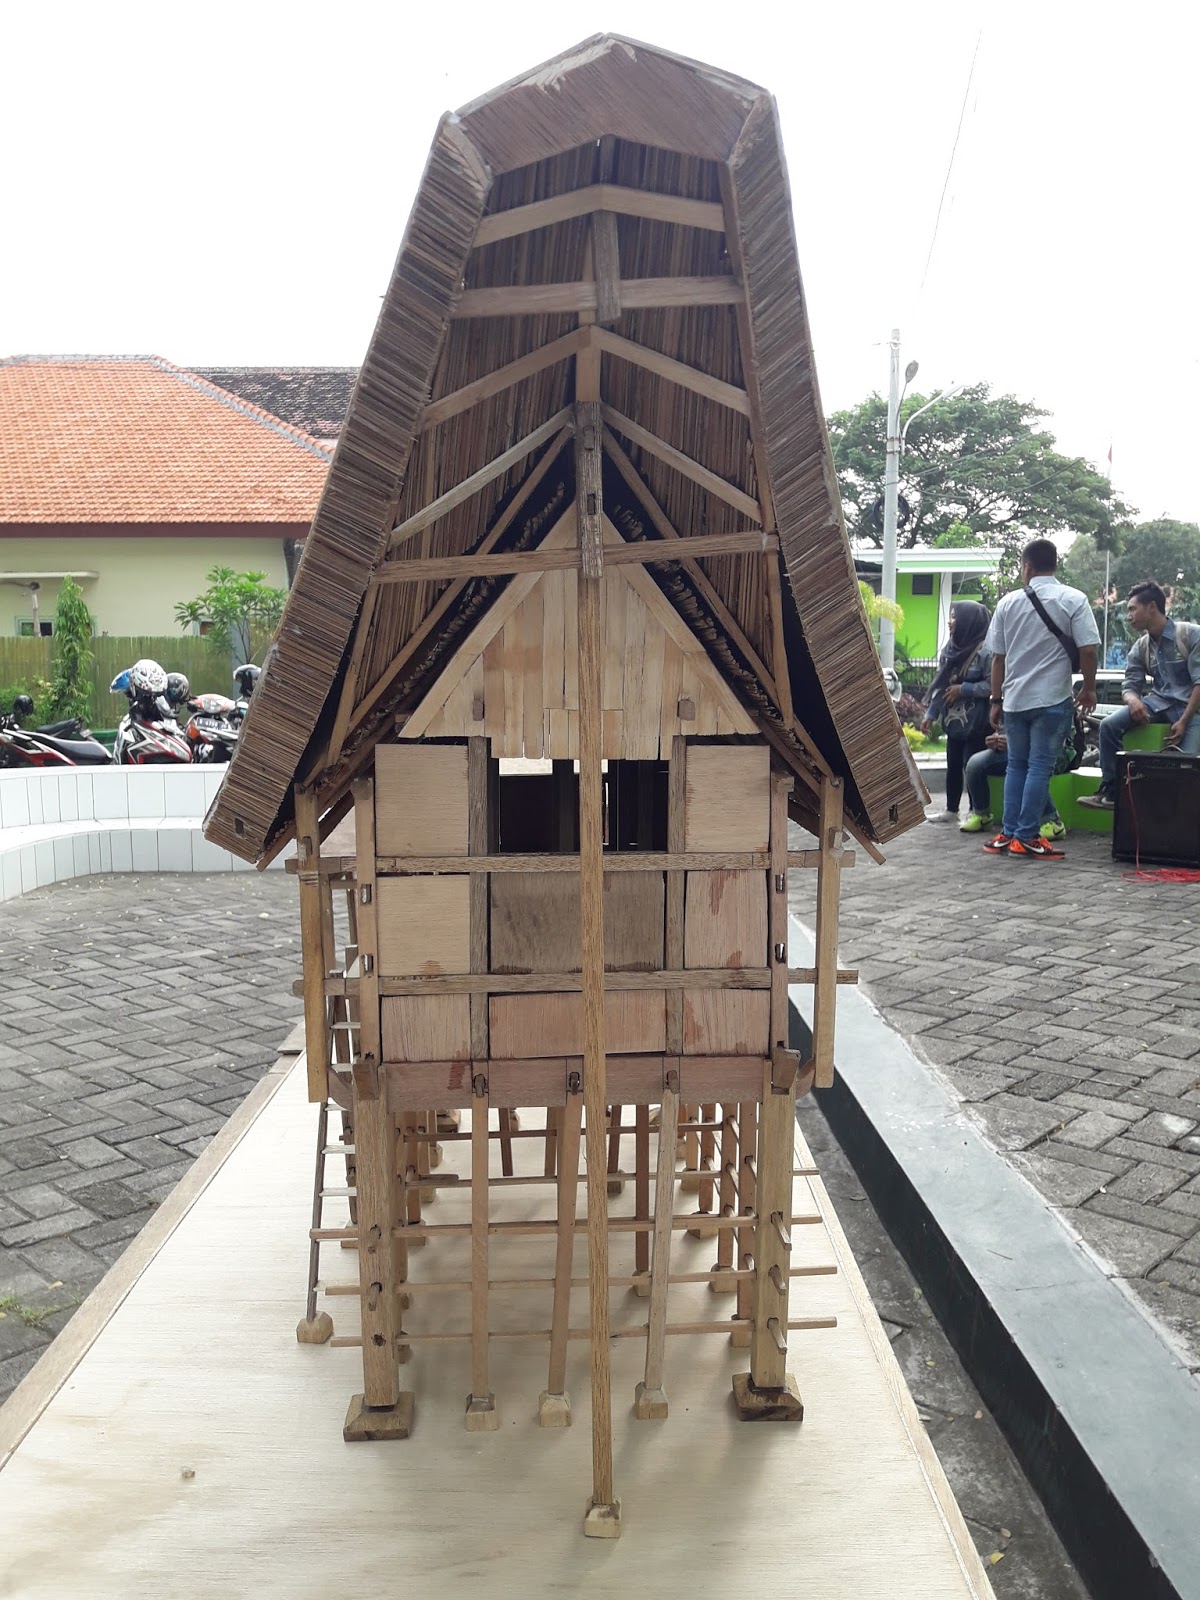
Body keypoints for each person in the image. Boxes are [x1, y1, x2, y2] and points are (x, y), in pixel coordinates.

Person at [983, 538, 1098, 860]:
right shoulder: (1074, 599)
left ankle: (1008, 833)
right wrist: (1089, 688)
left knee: (1016, 766)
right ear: (1055, 565)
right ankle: (1027, 837)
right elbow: (1088, 650)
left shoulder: (1007, 603)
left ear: (1027, 567)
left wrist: (996, 700)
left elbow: (998, 658)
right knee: (1039, 767)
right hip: (1052, 699)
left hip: (1015, 701)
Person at [1078, 581, 1200, 809]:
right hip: (1158, 704)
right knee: (1108, 726)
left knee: (1187, 768)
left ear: (1151, 607)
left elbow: (1199, 683)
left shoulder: (1190, 635)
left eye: (1132, 609)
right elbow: (1130, 684)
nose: (1129, 616)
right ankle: (1112, 792)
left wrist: (1183, 721)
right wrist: (1133, 700)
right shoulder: (1141, 647)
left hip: (1192, 711)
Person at [922, 600, 993, 821]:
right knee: (953, 763)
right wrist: (931, 714)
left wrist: (963, 689)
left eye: (955, 617)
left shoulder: (986, 652)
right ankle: (951, 810)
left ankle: (976, 810)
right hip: (955, 720)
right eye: (951, 616)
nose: (950, 621)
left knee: (971, 764)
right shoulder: (950, 650)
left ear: (969, 621)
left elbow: (992, 685)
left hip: (978, 722)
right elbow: (942, 684)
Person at [959, 729, 1066, 838]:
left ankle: (1052, 821)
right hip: (1014, 749)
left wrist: (1014, 741)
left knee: (1024, 766)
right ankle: (982, 815)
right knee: (975, 764)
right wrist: (995, 739)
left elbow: (1052, 734)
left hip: (1049, 750)